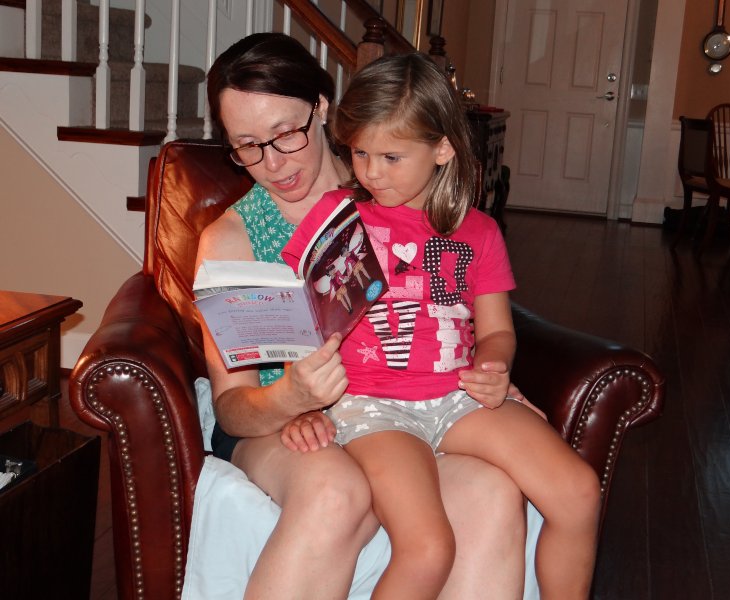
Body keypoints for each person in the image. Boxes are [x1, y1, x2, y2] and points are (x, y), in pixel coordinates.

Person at [196, 32, 533, 599]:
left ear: (322, 108)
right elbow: (232, 407)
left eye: (286, 133)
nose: (273, 163)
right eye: (247, 146)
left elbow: (459, 302)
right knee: (336, 491)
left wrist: (489, 374)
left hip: (409, 407)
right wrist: (291, 400)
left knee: (492, 491)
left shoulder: (397, 182)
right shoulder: (230, 240)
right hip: (281, 427)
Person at [281, 53, 602, 600]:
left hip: (458, 398)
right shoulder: (338, 215)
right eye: (359, 153)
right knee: (428, 549)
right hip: (371, 405)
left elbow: (497, 331)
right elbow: (298, 319)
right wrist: (302, 401)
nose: (371, 172)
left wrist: (493, 366)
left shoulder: (479, 232)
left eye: (391, 156)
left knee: (579, 491)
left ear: (443, 149)